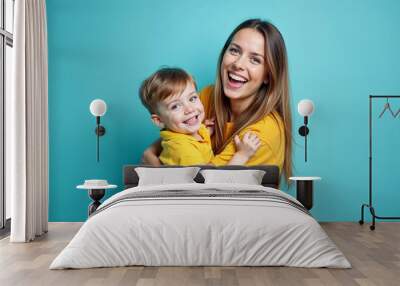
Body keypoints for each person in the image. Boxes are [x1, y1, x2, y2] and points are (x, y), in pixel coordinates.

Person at [143, 19, 292, 180]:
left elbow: (210, 184)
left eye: (255, 59)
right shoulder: (206, 97)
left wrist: (153, 163)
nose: (238, 64)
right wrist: (150, 154)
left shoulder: (261, 134)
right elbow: (174, 136)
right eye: (234, 51)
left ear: (268, 76)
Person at [139, 67, 261, 166]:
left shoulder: (189, 133)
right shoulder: (183, 150)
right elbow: (209, 186)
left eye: (192, 98)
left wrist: (206, 131)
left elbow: (195, 142)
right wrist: (242, 155)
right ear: (159, 120)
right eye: (175, 106)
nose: (190, 109)